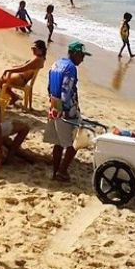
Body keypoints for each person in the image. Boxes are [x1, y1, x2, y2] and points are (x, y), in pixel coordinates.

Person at [44, 41, 90, 182]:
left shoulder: (57, 63)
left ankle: (55, 170)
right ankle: (62, 171)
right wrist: (69, 111)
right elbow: (66, 91)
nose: (82, 59)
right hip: (66, 110)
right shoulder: (70, 69)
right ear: (75, 53)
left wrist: (54, 107)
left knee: (58, 142)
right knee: (77, 140)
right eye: (81, 55)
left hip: (54, 106)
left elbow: (49, 86)